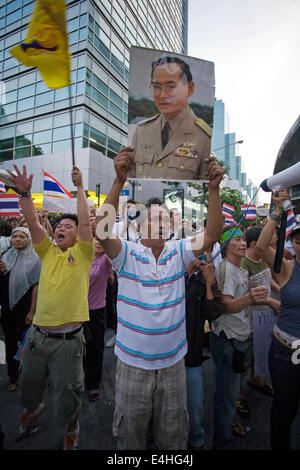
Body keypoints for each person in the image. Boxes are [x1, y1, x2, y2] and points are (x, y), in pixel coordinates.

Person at [95, 147, 224, 449]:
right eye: (153, 219)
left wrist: (214, 190)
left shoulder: (179, 252)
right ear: (138, 228)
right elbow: (102, 230)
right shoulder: (127, 254)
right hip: (132, 365)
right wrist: (117, 182)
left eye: (166, 220)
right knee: (131, 437)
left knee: (173, 436)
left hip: (173, 365)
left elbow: (214, 233)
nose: (161, 224)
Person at [8, 163, 93, 450]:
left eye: (68, 226)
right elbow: (32, 223)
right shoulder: (46, 252)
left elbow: (84, 223)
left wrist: (80, 187)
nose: (62, 228)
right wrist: (24, 195)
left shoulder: (83, 253)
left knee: (70, 394)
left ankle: (71, 429)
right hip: (37, 338)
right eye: (59, 226)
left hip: (69, 342)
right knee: (29, 385)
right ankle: (30, 413)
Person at [210, 226, 268, 450]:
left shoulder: (239, 268)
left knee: (230, 391)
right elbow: (226, 306)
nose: (243, 243)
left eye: (244, 239)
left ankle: (228, 425)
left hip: (238, 339)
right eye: (237, 240)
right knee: (226, 395)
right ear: (225, 246)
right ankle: (222, 442)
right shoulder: (226, 269)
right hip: (227, 341)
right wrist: (251, 298)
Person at [256, 190, 300, 450]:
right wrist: (277, 212)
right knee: (284, 411)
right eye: (299, 239)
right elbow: (261, 248)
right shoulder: (287, 269)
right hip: (286, 351)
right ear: (292, 244)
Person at [128, 56, 212, 181]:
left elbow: (204, 190)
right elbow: (131, 181)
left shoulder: (204, 137)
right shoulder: (142, 131)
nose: (162, 95)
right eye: (157, 86)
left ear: (190, 88)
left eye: (170, 86)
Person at [185, 254, 225, 449]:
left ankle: (196, 439)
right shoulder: (171, 277)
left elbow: (213, 312)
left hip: (191, 354)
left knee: (195, 405)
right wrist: (186, 272)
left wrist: (210, 282)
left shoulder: (203, 280)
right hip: (164, 355)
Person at [0, 227, 41, 392]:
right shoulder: (5, 258)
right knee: (10, 342)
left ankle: (31, 376)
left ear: (28, 239)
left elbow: (36, 287)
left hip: (25, 308)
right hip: (8, 308)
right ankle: (13, 377)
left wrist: (32, 311)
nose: (17, 239)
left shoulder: (35, 259)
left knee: (28, 344)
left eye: (21, 236)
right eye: (14, 236)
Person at [84, 238, 111, 402]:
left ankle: (93, 382)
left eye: (103, 241)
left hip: (96, 311)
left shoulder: (105, 261)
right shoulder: (81, 256)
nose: (99, 243)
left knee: (95, 348)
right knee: (77, 348)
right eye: (96, 239)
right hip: (75, 310)